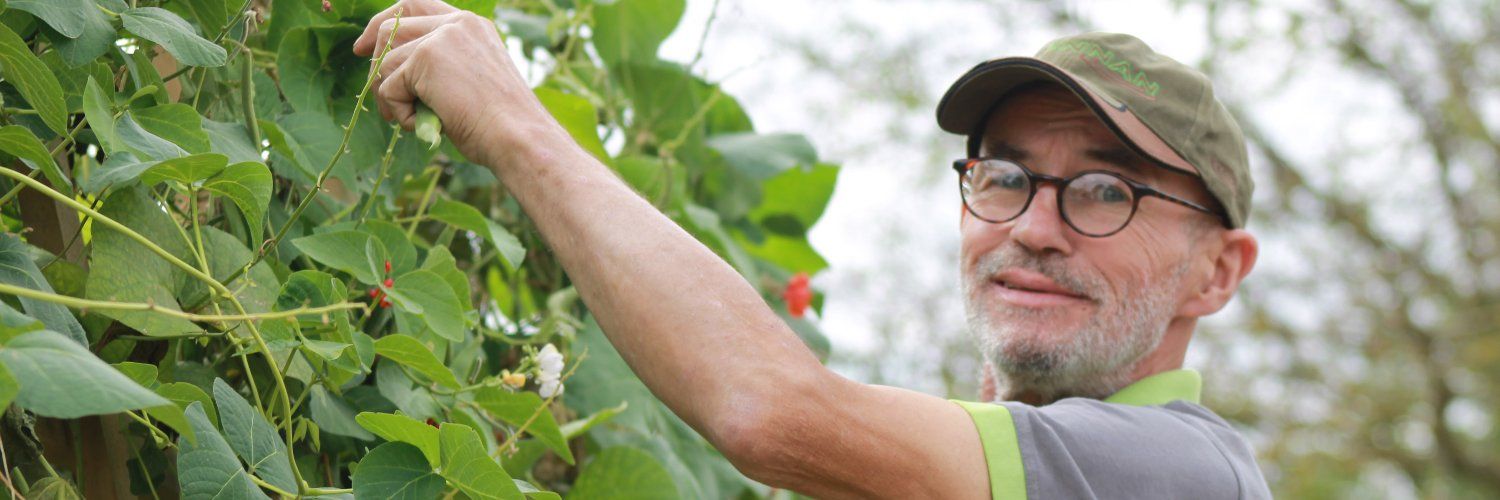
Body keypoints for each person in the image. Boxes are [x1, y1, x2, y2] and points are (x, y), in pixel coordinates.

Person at [354, 1, 1271, 497]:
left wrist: (515, 123)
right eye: (1005, 177)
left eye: (1106, 192)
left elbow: (769, 411)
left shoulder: (1181, 472)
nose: (1033, 226)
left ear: (1217, 271)